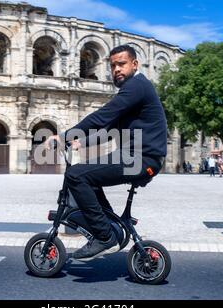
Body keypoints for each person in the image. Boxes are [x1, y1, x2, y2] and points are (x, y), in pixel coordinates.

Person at [44, 45, 167, 261]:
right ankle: (110, 225)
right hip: (139, 157)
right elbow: (111, 131)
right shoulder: (135, 90)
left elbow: (102, 116)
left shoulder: (137, 87)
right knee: (88, 177)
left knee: (76, 175)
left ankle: (104, 236)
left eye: (122, 64)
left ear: (135, 64)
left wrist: (62, 136)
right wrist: (83, 141)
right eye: (112, 66)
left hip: (140, 158)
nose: (117, 69)